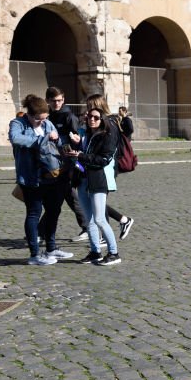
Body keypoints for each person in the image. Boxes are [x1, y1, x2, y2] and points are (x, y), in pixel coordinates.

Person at [9, 95, 76, 265]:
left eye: (45, 119)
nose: (42, 122)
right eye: (38, 119)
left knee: (54, 211)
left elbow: (59, 141)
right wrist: (42, 139)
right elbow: (16, 138)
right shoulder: (18, 123)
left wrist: (59, 139)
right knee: (34, 213)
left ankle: (51, 248)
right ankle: (34, 254)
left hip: (52, 175)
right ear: (30, 115)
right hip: (31, 177)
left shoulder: (47, 122)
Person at [67, 106, 121, 265]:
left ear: (102, 120)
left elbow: (103, 160)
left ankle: (114, 253)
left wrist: (81, 155)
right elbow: (82, 157)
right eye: (89, 116)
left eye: (96, 117)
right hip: (82, 179)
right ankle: (95, 251)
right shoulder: (87, 134)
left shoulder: (107, 136)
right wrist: (77, 147)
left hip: (98, 181)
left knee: (99, 219)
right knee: (89, 219)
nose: (91, 119)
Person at [84, 94, 135, 240]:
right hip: (99, 164)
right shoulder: (101, 121)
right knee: (97, 202)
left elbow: (107, 150)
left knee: (98, 202)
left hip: (107, 166)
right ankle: (122, 221)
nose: (88, 111)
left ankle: (107, 237)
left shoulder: (110, 123)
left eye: (90, 107)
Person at [46, 87, 91, 242]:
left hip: (69, 162)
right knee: (58, 196)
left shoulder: (69, 116)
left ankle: (87, 226)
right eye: (53, 101)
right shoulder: (48, 116)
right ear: (48, 101)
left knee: (67, 195)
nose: (56, 103)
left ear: (63, 99)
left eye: (59, 100)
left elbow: (77, 140)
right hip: (53, 161)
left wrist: (74, 162)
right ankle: (41, 230)